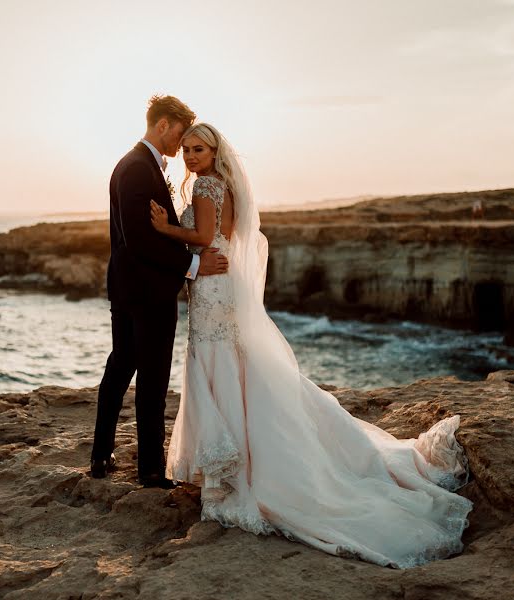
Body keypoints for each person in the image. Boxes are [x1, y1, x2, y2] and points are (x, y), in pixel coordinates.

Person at [148, 122, 474, 568]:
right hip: (220, 286)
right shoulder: (224, 184)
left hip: (212, 289)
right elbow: (223, 238)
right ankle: (234, 456)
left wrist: (166, 228)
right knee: (232, 363)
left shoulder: (206, 186)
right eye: (185, 150)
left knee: (216, 358)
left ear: (213, 151)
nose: (189, 157)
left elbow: (205, 239)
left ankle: (232, 468)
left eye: (197, 149)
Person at [90, 96, 229, 489]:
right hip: (146, 292)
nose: (183, 145)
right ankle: (150, 470)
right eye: (182, 134)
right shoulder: (137, 168)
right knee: (150, 377)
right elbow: (139, 240)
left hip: (129, 288)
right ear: (164, 124)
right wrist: (194, 266)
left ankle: (101, 454)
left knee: (120, 367)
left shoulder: (134, 164)